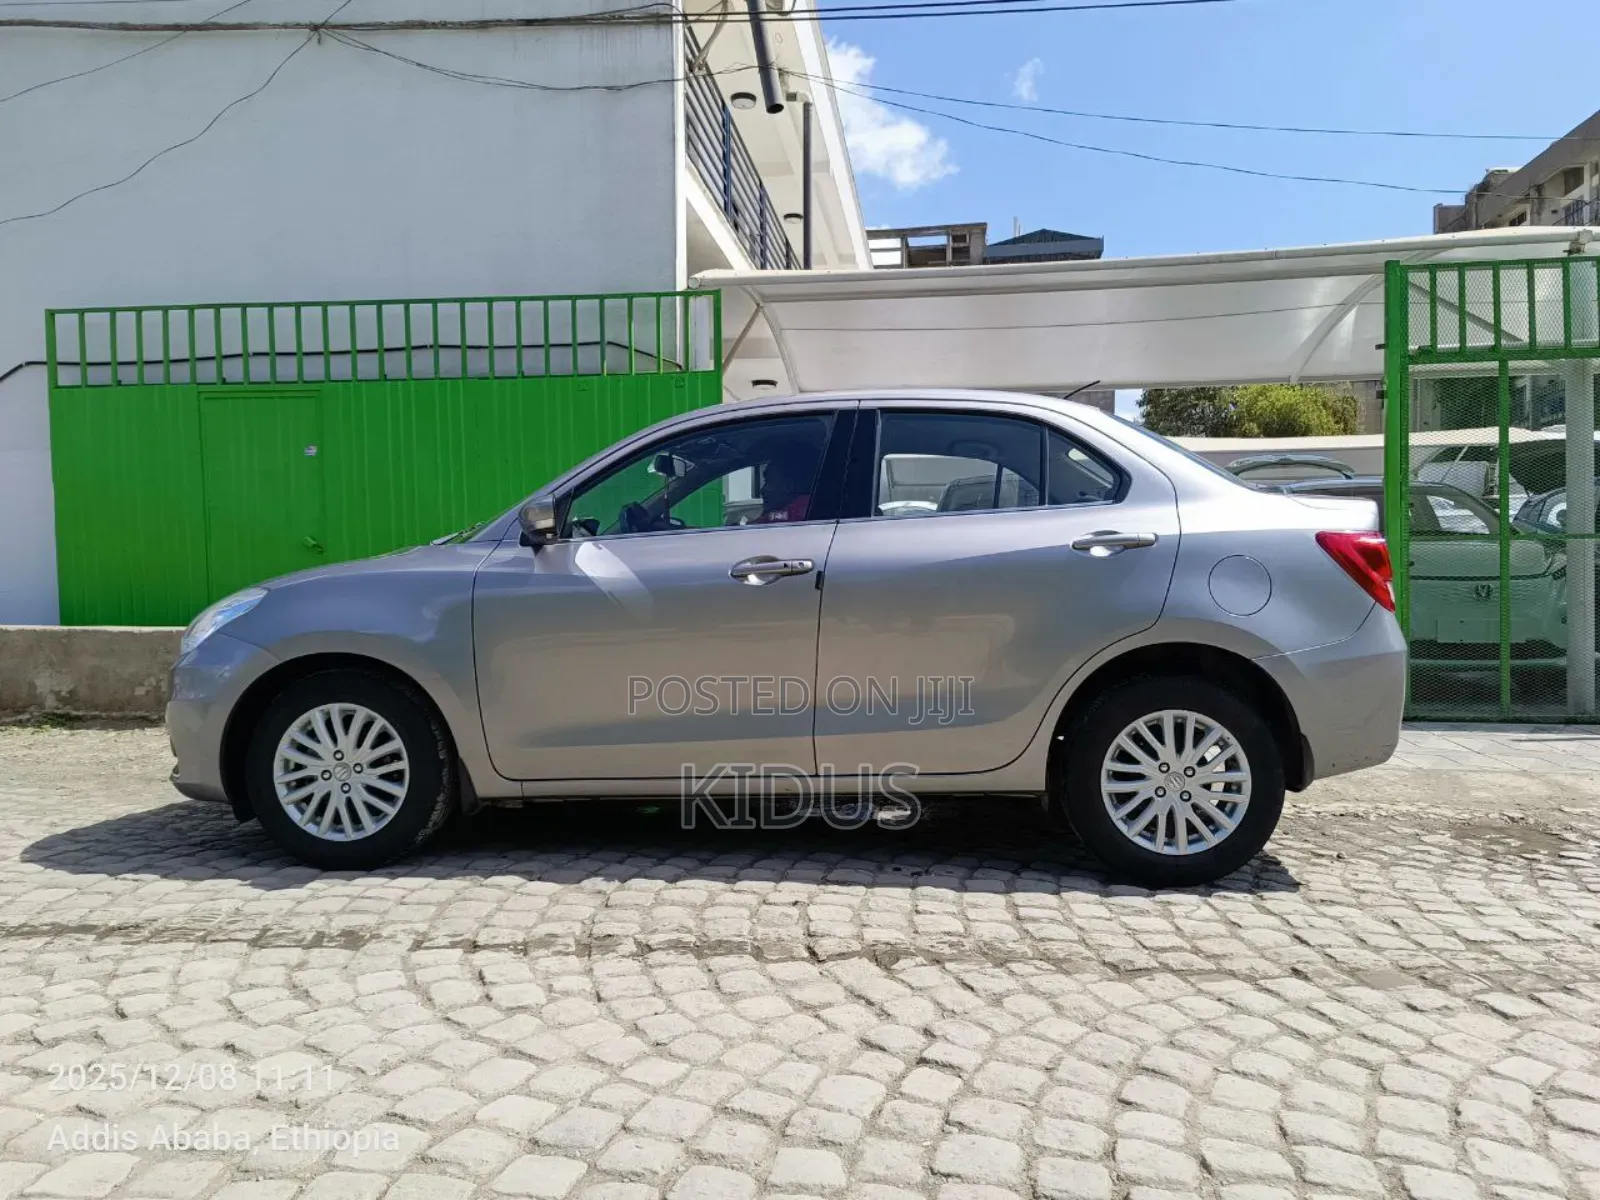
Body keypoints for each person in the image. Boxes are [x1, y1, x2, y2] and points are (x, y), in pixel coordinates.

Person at [747, 450, 816, 524]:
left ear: (788, 486)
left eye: (768, 482)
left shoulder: (805, 507)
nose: (762, 490)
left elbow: (782, 516)